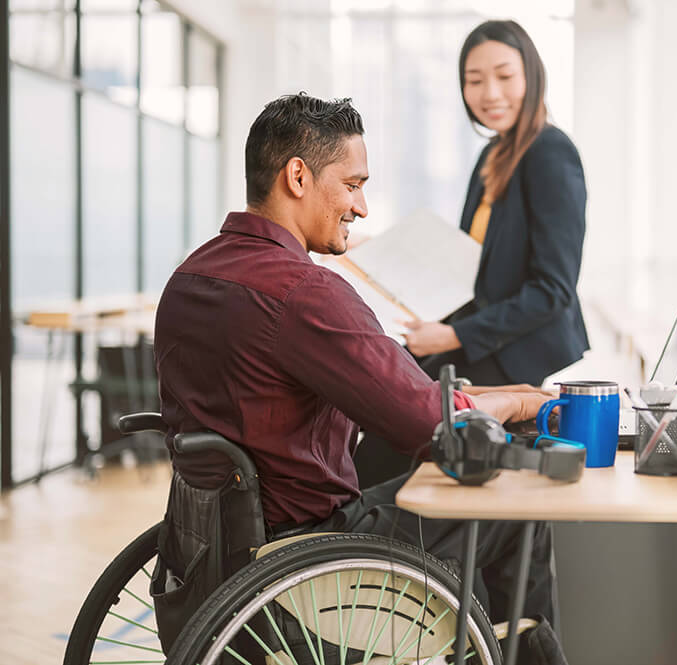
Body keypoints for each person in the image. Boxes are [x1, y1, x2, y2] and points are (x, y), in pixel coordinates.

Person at [153, 93, 564, 651]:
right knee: (515, 503)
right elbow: (430, 426)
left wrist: (498, 394)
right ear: (297, 176)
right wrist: (521, 405)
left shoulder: (191, 275)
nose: (362, 207)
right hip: (315, 550)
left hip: (211, 547)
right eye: (352, 185)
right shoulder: (305, 292)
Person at [403, 19, 589, 388]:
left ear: (531, 77)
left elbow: (553, 290)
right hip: (482, 337)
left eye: (504, 76)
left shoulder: (550, 152)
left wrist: (453, 336)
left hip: (519, 349)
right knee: (385, 384)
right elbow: (472, 265)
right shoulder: (494, 153)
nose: (490, 93)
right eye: (475, 80)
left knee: (398, 422)